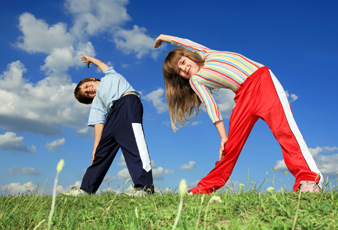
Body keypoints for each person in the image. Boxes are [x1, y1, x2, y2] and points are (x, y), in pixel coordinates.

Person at [154, 34, 323, 194]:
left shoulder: (206, 53)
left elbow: (183, 41)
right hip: (243, 98)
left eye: (183, 62)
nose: (184, 69)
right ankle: (203, 189)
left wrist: (163, 37)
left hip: (263, 81)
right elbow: (211, 105)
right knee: (229, 148)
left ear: (189, 56)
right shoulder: (195, 81)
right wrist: (223, 137)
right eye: (180, 71)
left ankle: (309, 180)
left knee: (284, 130)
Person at [61, 54, 154, 197]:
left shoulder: (110, 75)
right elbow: (99, 123)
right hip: (113, 113)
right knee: (101, 153)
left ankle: (144, 189)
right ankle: (86, 190)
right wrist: (95, 148)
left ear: (91, 79)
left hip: (128, 103)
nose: (89, 90)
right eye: (87, 94)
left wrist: (91, 60)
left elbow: (102, 63)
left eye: (87, 86)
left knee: (134, 146)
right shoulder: (98, 102)